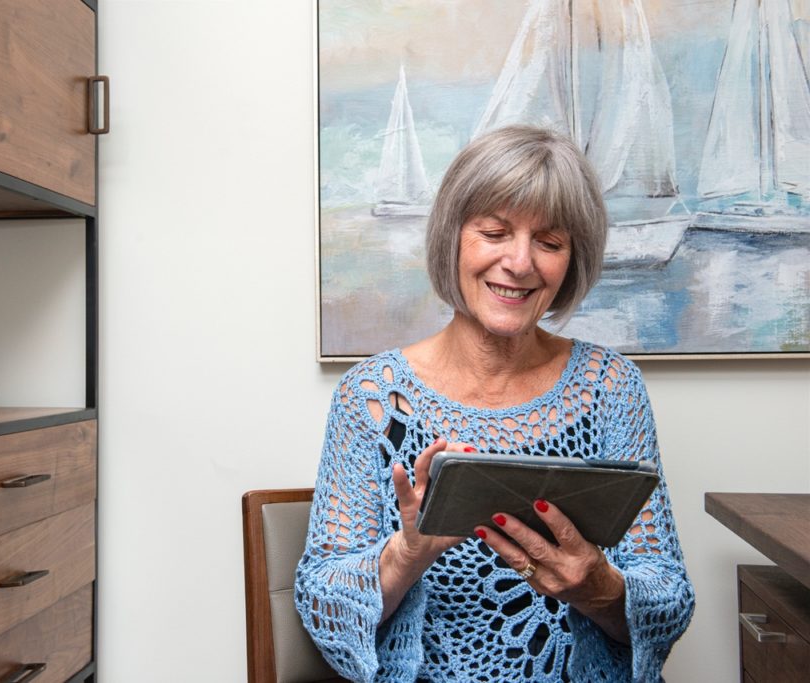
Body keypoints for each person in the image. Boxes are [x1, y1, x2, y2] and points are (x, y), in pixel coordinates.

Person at [295, 125, 694, 682]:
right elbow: (322, 605)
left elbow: (669, 603)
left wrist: (598, 587)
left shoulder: (611, 387)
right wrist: (407, 554)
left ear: (571, 262)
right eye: (494, 232)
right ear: (453, 239)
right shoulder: (374, 398)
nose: (520, 262)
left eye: (549, 242)